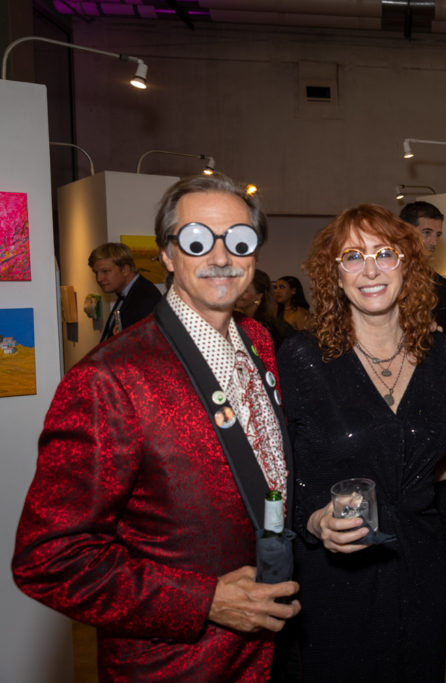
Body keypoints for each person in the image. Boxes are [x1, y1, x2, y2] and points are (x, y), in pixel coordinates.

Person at [12, 174, 301, 681]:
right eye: (196, 240)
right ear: (167, 255)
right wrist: (203, 600)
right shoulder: (109, 379)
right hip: (174, 664)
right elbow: (49, 557)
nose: (220, 256)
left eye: (238, 239)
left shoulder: (257, 340)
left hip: (271, 653)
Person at [277, 203, 446, 681]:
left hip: (423, 567)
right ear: (334, 276)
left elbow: (433, 448)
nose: (371, 269)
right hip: (341, 580)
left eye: (385, 253)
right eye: (352, 257)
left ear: (408, 266)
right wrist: (317, 522)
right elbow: (285, 474)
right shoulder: (303, 357)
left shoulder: (438, 352)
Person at [88, 241, 163, 341]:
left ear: (125, 269)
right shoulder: (128, 293)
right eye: (96, 272)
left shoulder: (146, 299)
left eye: (105, 271)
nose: (99, 278)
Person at [399, 201, 446, 334]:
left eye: (438, 235)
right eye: (427, 233)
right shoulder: (386, 278)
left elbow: (443, 338)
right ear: (405, 232)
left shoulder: (440, 284)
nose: (434, 242)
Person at [236, 268, 296, 350]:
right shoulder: (239, 319)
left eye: (244, 291)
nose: (238, 293)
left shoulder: (262, 327)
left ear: (259, 295)